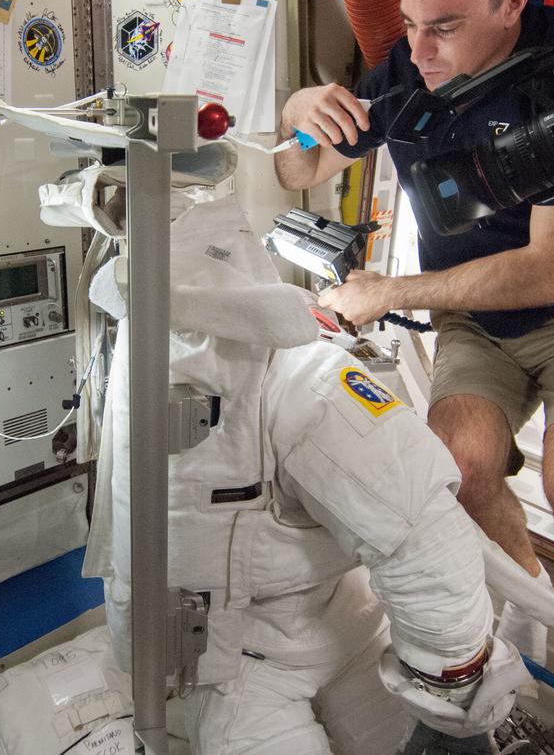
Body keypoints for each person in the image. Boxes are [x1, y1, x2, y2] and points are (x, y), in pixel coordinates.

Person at [275, 0, 554, 753]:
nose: (419, 49)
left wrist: (387, 292)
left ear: (514, 1)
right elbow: (299, 167)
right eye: (411, 25)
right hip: (476, 323)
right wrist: (303, 110)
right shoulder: (407, 74)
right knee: (458, 468)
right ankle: (528, 632)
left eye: (443, 27)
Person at [77, 182, 529, 753]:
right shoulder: (136, 371)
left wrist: (452, 708)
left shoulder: (310, 386)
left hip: (337, 636)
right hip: (231, 663)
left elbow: (426, 541)